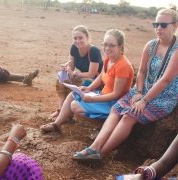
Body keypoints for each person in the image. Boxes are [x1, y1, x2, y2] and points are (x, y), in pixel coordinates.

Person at [73, 8, 178, 160]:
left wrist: (144, 100)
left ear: (175, 25)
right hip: (144, 88)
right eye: (156, 24)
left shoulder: (176, 50)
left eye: (163, 25)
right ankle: (93, 148)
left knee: (130, 115)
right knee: (116, 109)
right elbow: (141, 72)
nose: (158, 28)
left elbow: (165, 80)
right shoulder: (151, 45)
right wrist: (138, 92)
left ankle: (101, 154)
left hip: (164, 95)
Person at [40, 29, 134, 134]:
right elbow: (101, 76)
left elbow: (115, 95)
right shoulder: (109, 58)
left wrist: (93, 99)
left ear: (120, 46)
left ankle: (104, 126)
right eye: (105, 44)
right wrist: (89, 88)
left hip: (114, 103)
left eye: (111, 45)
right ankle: (56, 125)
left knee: (75, 105)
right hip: (104, 96)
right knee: (74, 94)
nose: (107, 48)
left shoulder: (123, 66)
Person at [49, 25, 103, 120]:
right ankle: (60, 109)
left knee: (75, 83)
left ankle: (68, 112)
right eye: (75, 38)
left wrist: (75, 74)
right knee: (61, 78)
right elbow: (71, 66)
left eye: (80, 38)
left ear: (87, 37)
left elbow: (92, 74)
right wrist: (66, 69)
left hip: (96, 82)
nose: (78, 41)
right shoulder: (74, 48)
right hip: (84, 77)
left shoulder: (94, 51)